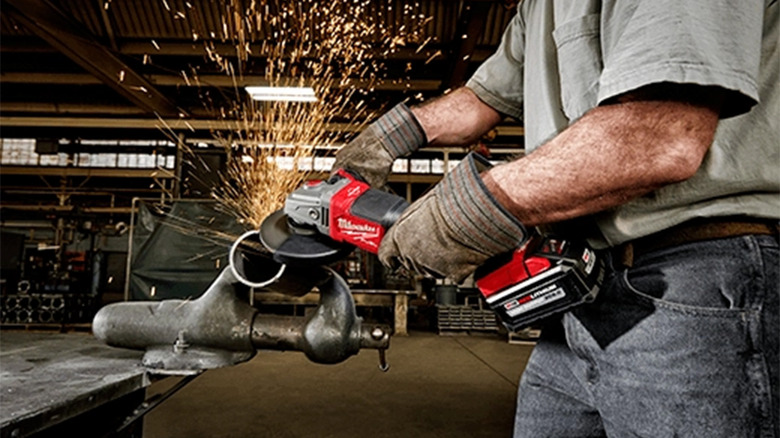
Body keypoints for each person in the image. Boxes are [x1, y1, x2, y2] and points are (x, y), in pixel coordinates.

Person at [333, 1, 778, 436]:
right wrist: (388, 136)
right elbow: (478, 102)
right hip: (582, 292)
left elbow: (661, 137)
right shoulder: (537, 8)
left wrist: (459, 214)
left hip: (695, 279)